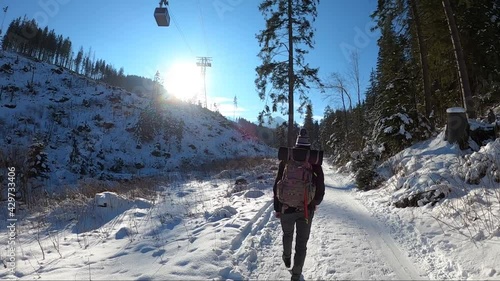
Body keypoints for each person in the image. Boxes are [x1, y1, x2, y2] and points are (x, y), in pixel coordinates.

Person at [273, 128, 325, 281]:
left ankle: (286, 256)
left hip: (286, 208)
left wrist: (277, 207)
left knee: (287, 234)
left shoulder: (287, 159)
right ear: (309, 146)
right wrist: (314, 203)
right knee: (301, 244)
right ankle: (296, 275)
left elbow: (277, 184)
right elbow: (320, 187)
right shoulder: (314, 162)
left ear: (296, 144)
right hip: (306, 210)